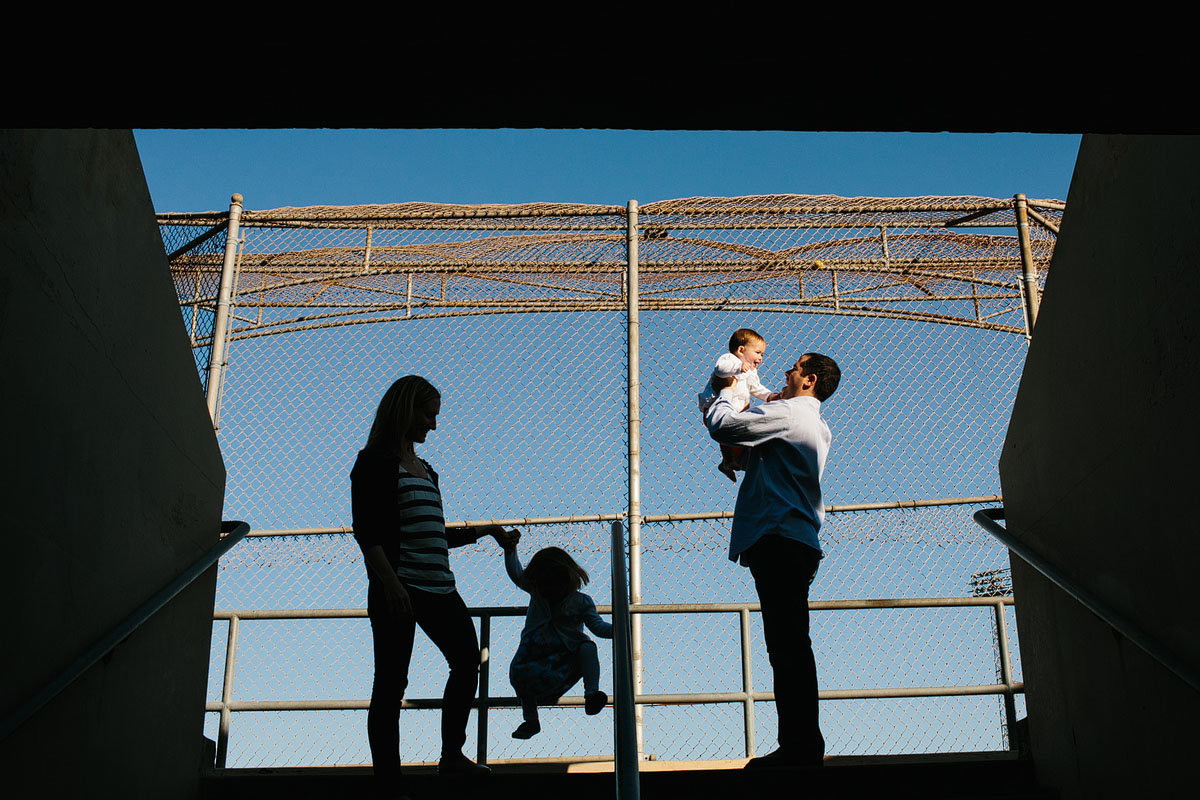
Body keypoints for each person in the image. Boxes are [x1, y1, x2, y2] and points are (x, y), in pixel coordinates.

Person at [350, 375, 518, 797]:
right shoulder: (373, 463)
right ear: (405, 410)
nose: (434, 424)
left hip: (440, 588)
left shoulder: (427, 470)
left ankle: (451, 756)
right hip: (399, 589)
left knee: (467, 660)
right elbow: (368, 533)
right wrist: (390, 585)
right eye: (428, 414)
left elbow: (433, 532)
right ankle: (389, 785)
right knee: (391, 685)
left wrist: (486, 531)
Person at [704, 352, 842, 769]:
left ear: (809, 380)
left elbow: (723, 425)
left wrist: (727, 389)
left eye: (795, 368)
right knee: (789, 644)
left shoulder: (788, 413)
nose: (785, 371)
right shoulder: (813, 423)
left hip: (780, 537)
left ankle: (800, 748)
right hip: (794, 539)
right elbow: (757, 456)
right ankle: (800, 744)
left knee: (788, 646)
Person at [502, 543, 613, 740]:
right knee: (519, 673)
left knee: (587, 647)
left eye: (554, 585)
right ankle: (531, 720)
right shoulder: (538, 594)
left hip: (564, 656)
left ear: (566, 579)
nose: (549, 591)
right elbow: (516, 574)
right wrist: (510, 549)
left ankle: (591, 694)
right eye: (543, 585)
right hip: (534, 654)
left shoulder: (580, 601)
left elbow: (597, 627)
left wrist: (620, 628)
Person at [697, 328, 781, 482]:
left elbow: (756, 388)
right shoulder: (730, 359)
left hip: (738, 411)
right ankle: (729, 460)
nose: (760, 358)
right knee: (727, 436)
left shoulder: (751, 371)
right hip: (716, 407)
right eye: (757, 353)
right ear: (741, 350)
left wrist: (769, 396)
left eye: (762, 354)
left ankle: (729, 462)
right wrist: (738, 368)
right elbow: (720, 369)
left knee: (735, 441)